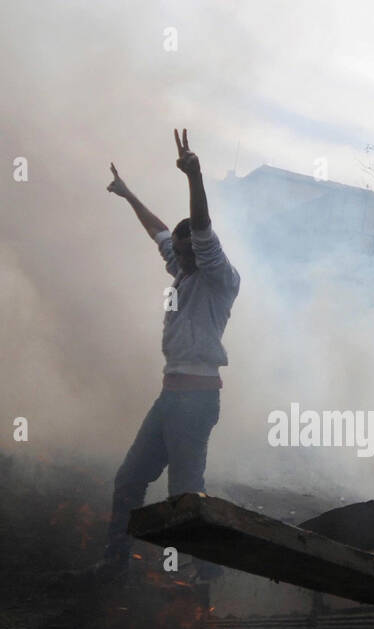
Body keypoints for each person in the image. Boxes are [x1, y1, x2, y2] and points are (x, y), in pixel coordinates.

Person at [99, 129, 240, 581]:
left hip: (195, 402)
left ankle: (206, 576)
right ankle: (114, 565)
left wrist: (194, 176)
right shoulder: (183, 266)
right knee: (129, 480)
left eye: (185, 252)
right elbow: (159, 230)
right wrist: (127, 194)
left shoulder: (219, 276)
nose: (177, 258)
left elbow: (199, 229)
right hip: (170, 397)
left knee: (184, 496)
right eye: (176, 253)